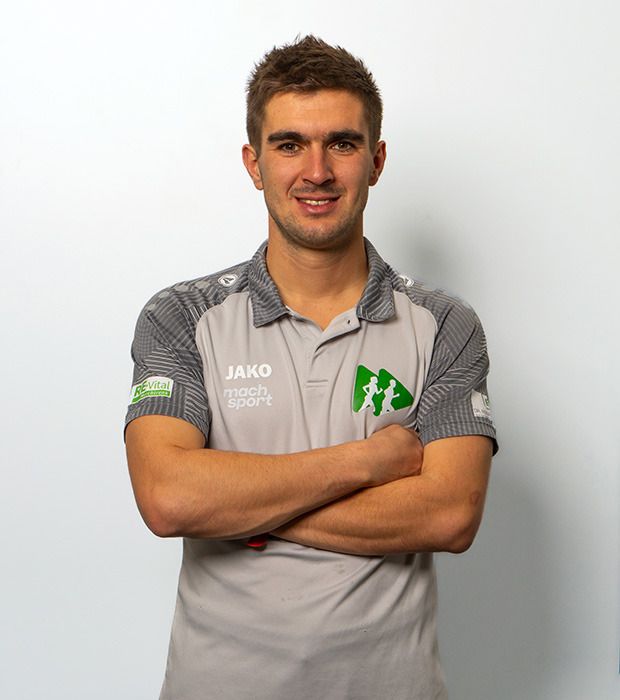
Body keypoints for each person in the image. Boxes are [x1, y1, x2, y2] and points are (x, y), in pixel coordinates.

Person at [125, 35, 497, 700]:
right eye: (290, 144)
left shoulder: (446, 324)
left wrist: (240, 505)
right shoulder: (181, 316)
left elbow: (449, 515)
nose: (317, 171)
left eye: (342, 144)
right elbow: (169, 497)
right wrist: (369, 461)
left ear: (376, 160)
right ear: (254, 162)